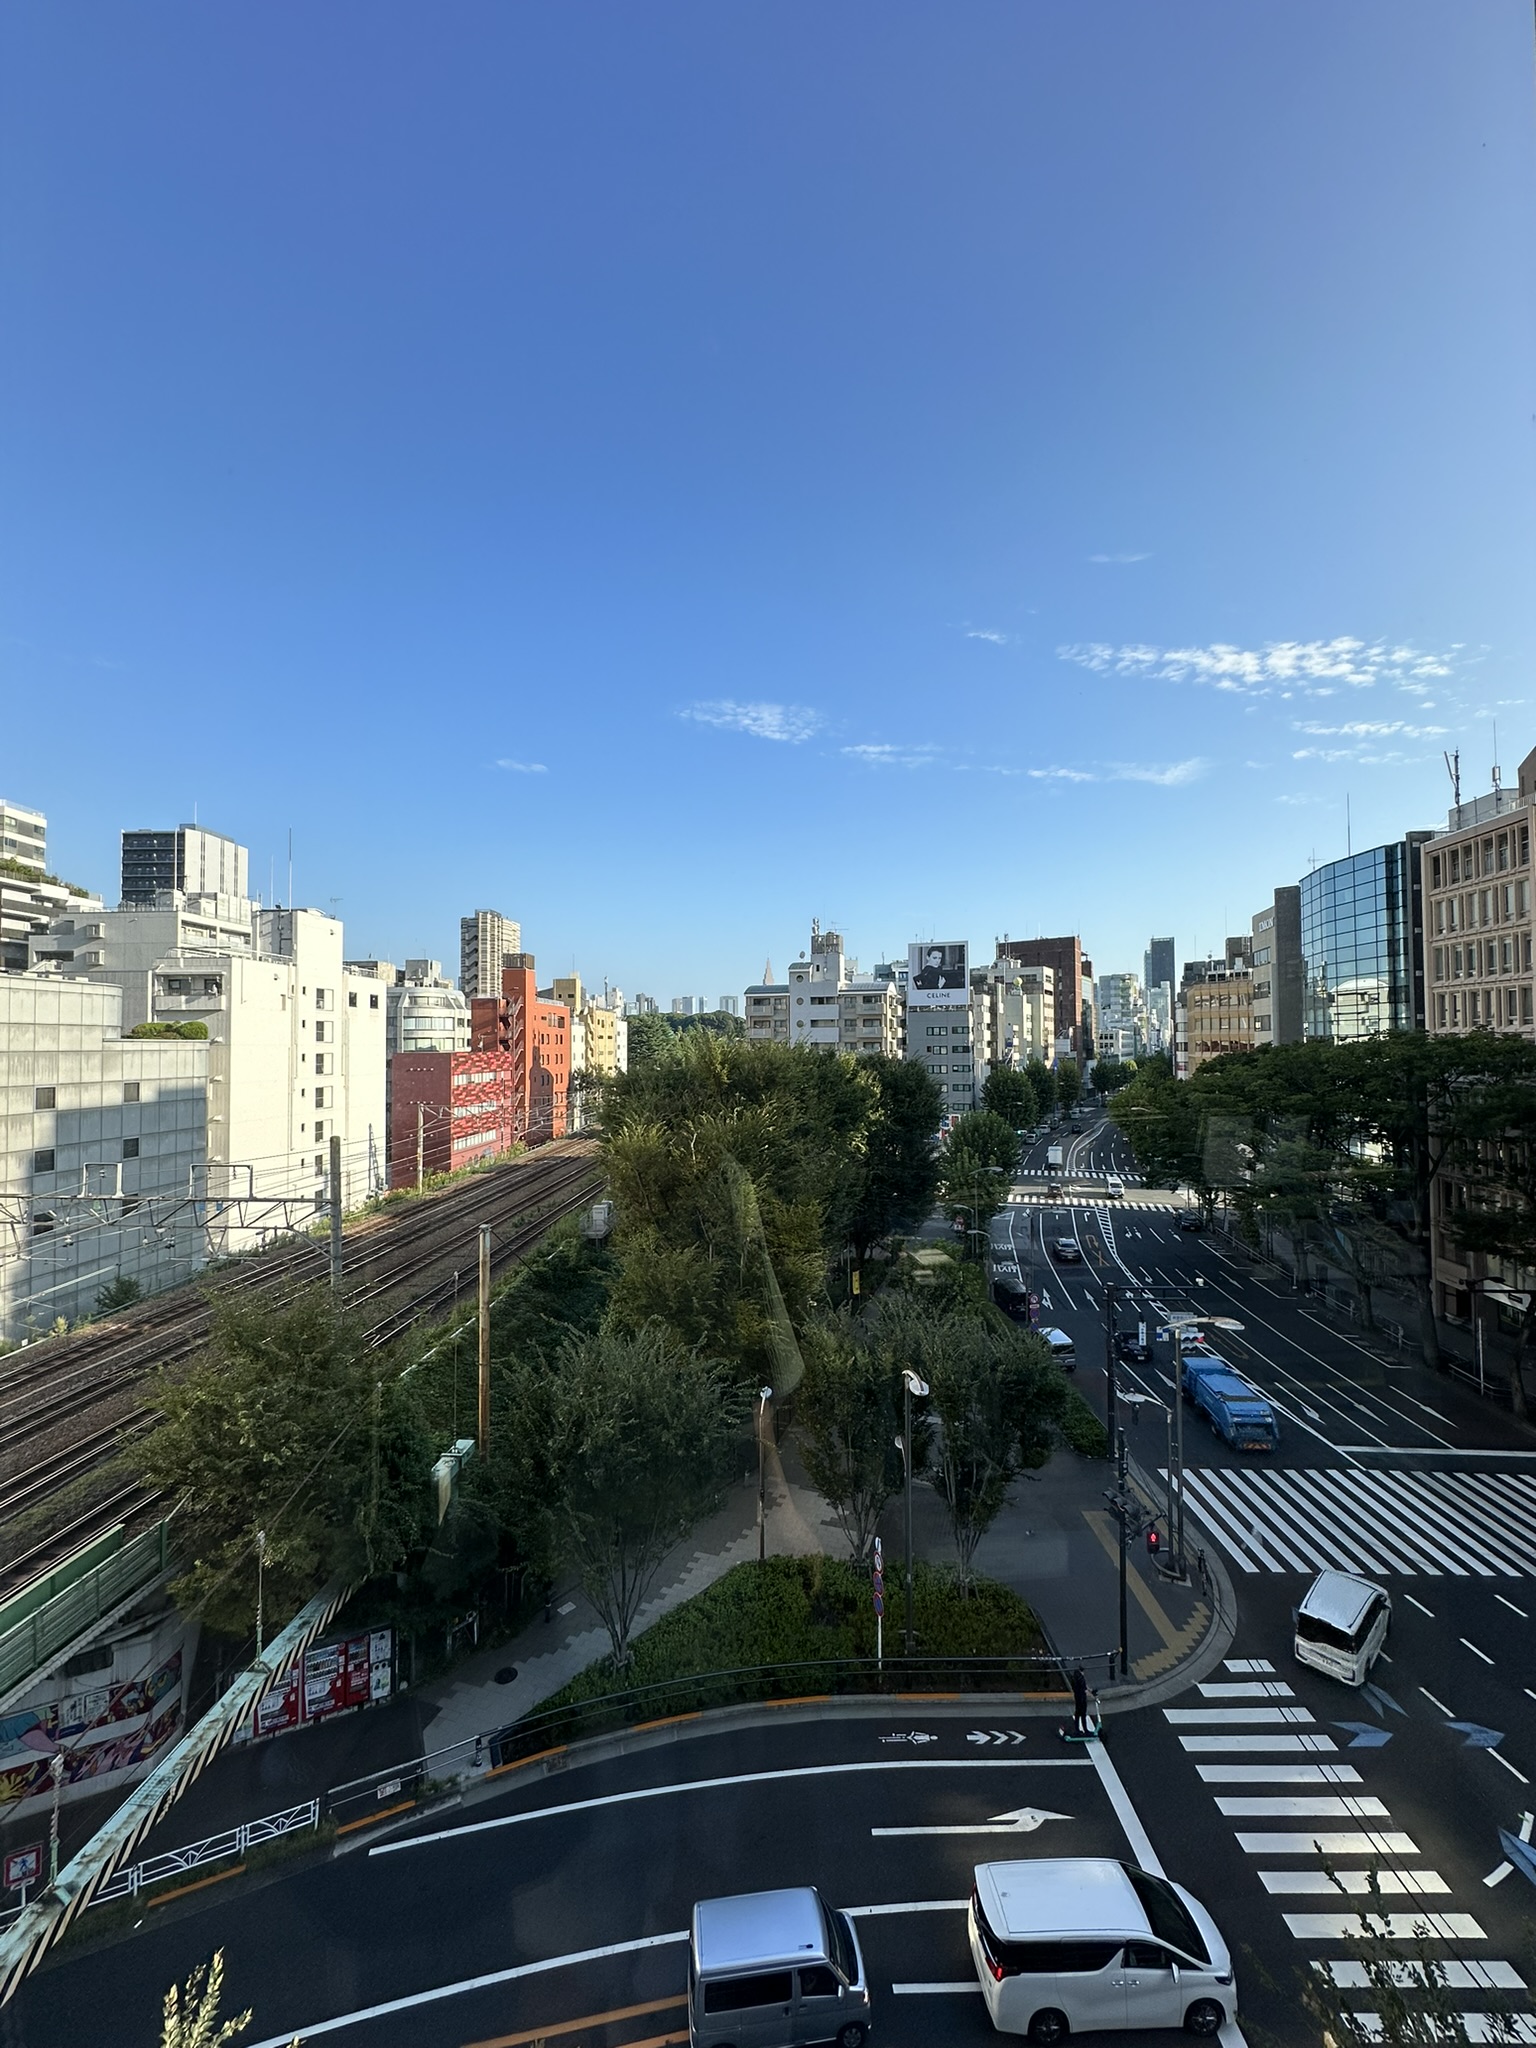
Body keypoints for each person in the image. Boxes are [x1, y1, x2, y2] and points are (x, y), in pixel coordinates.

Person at [1070, 1664, 1091, 1736]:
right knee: (1083, 1714)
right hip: (1082, 1698)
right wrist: (1091, 1693)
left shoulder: (1075, 1677)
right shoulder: (1081, 1678)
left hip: (1077, 1696)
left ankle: (1077, 1729)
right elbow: (1084, 1689)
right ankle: (1085, 1729)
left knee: (1077, 1714)